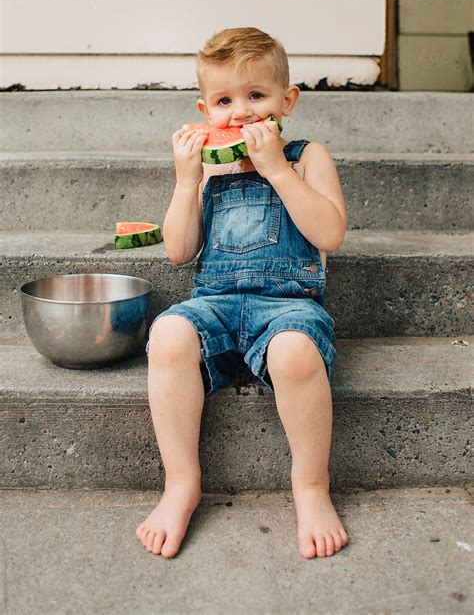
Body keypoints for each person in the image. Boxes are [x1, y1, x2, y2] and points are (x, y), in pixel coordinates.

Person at [135, 27, 349, 559]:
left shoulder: (305, 156)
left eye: (256, 96)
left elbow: (330, 234)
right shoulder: (208, 170)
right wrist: (186, 183)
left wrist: (277, 167)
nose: (241, 113)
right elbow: (180, 253)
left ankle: (311, 487)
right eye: (225, 101)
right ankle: (181, 484)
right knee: (167, 335)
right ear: (205, 109)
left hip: (290, 307)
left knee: (297, 352)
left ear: (287, 101)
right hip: (215, 304)